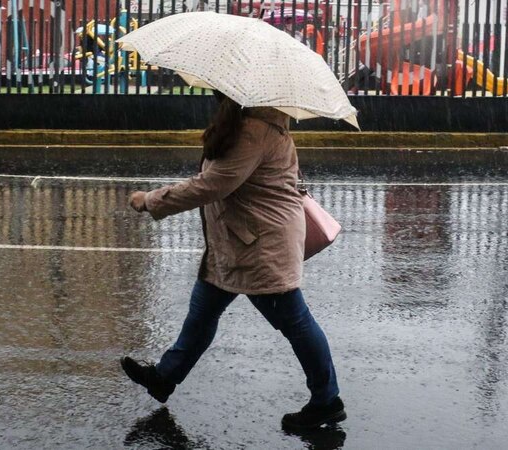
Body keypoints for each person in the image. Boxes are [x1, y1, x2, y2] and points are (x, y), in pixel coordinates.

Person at [121, 91, 345, 431]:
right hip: (237, 241)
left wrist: (151, 200)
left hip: (261, 245)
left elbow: (213, 184)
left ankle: (327, 400)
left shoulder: (255, 130)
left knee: (294, 320)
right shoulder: (246, 122)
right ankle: (164, 377)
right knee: (203, 311)